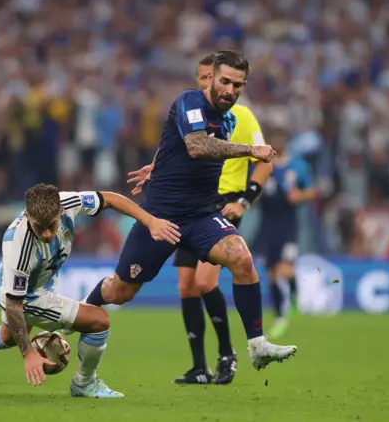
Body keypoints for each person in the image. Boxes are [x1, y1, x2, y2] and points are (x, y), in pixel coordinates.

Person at [84, 50, 298, 371]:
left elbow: (176, 143)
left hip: (201, 215)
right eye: (224, 81)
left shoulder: (233, 118)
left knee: (241, 257)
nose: (230, 90)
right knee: (120, 291)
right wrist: (250, 150)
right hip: (161, 217)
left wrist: (156, 164)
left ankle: (256, 345)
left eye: (237, 85)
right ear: (211, 78)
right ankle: (79, 311)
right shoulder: (189, 100)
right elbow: (197, 146)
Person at [0, 184, 181, 398]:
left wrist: (150, 221)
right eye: (39, 227)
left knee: (8, 337)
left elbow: (109, 199)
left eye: (52, 226)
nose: (46, 234)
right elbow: (14, 306)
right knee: (99, 322)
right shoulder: (19, 249)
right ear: (28, 216)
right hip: (24, 294)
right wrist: (28, 354)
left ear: (59, 210)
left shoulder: (68, 202)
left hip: (37, 281)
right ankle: (85, 383)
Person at [127, 53, 273, 385]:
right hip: (186, 204)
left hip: (220, 206)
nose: (209, 84)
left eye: (215, 78)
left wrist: (244, 200)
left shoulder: (241, 116)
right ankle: (198, 367)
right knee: (187, 286)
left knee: (205, 282)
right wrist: (157, 167)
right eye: (204, 78)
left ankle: (228, 354)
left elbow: (265, 160)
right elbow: (186, 145)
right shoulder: (194, 112)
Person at [253, 129, 317, 338]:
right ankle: (280, 315)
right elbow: (253, 192)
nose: (277, 143)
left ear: (286, 142)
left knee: (283, 270)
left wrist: (299, 195)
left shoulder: (298, 166)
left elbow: (311, 191)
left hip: (288, 225)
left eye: (281, 140)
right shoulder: (261, 165)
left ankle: (290, 302)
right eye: (274, 140)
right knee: (271, 273)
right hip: (267, 224)